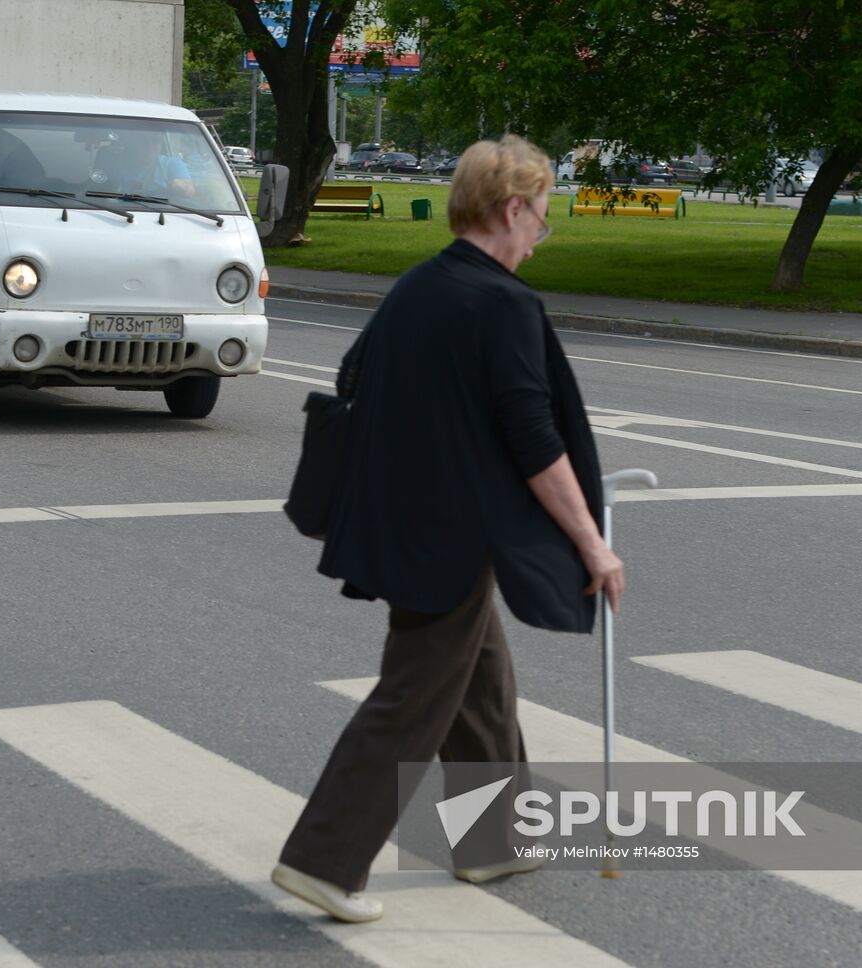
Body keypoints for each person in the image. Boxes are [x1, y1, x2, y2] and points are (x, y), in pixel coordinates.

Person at [271, 135, 625, 923]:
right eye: (542, 216)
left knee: (479, 679)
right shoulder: (502, 304)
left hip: (403, 517)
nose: (541, 233)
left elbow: (359, 384)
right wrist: (591, 542)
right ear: (510, 209)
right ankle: (324, 861)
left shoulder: (419, 286)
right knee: (415, 694)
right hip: (449, 534)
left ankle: (495, 840)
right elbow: (534, 439)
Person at [92, 130, 193, 199]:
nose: (150, 146)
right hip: (113, 214)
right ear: (132, 143)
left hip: (159, 216)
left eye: (156, 141)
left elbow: (190, 191)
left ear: (161, 144)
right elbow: (95, 191)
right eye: (143, 141)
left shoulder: (171, 164)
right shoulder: (113, 164)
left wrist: (183, 187)